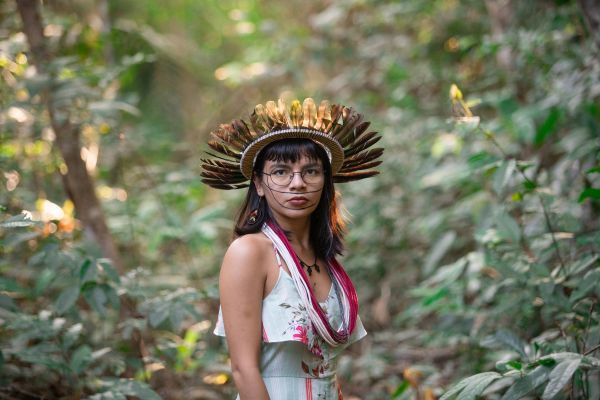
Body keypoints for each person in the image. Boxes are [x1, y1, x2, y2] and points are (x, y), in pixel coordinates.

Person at [202, 98, 383, 399]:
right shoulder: (249, 252)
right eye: (281, 172)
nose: (297, 183)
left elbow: (326, 367)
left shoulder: (324, 259)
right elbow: (243, 369)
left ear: (325, 181)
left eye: (311, 171)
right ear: (259, 184)